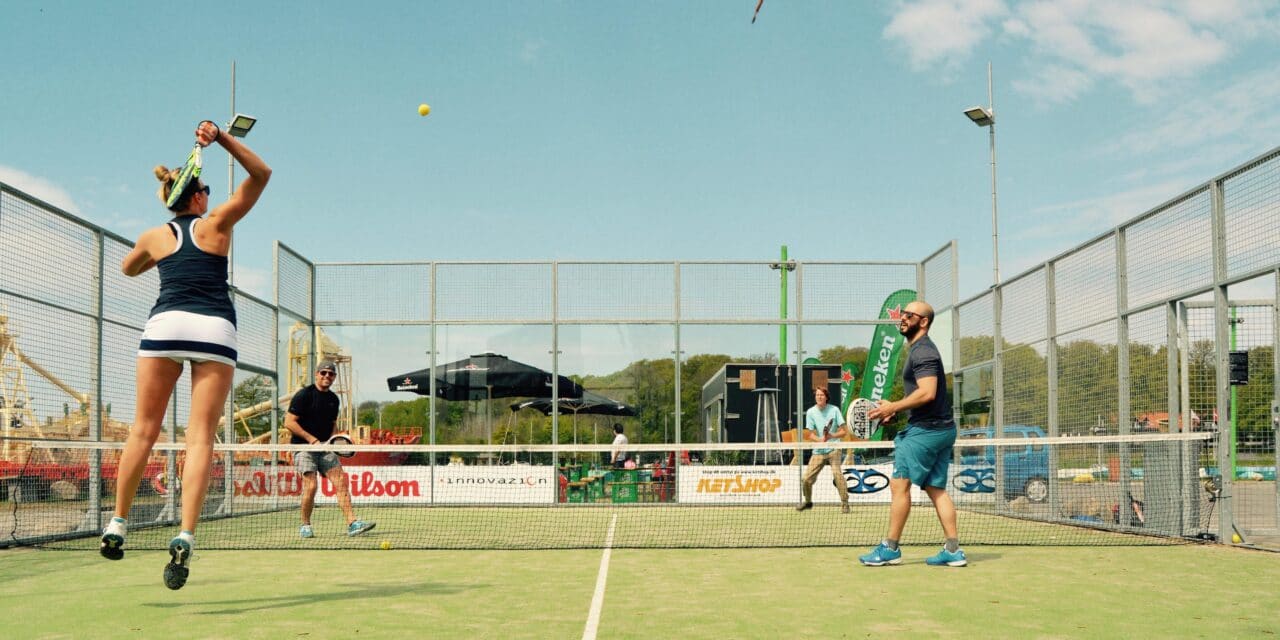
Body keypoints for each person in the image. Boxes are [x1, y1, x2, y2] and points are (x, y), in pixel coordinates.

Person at [100, 120, 271, 590]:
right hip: (214, 328)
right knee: (200, 439)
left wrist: (154, 254)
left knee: (143, 430)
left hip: (165, 325)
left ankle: (117, 522)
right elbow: (262, 175)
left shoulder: (154, 236)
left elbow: (129, 268)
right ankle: (186, 534)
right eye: (207, 191)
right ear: (196, 198)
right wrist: (224, 140)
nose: (211, 198)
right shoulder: (217, 224)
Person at [860, 300, 966, 567]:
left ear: (924, 321)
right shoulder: (919, 350)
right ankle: (953, 550)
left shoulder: (923, 352)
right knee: (936, 489)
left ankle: (890, 548)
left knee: (900, 485)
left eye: (909, 315)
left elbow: (928, 392)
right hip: (942, 430)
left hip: (925, 432)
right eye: (903, 314)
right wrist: (897, 412)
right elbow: (922, 396)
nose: (903, 318)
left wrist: (894, 405)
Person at [286, 361, 376, 539]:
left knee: (341, 481)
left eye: (331, 374)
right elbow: (289, 422)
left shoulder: (334, 400)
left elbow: (332, 425)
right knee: (311, 486)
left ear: (334, 377)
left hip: (326, 447)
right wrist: (312, 440)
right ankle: (305, 525)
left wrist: (335, 442)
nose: (327, 376)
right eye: (324, 373)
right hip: (303, 447)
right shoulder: (304, 395)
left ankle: (352, 523)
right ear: (317, 374)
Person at [796, 387, 851, 514]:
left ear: (826, 397)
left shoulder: (835, 410)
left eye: (821, 395)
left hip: (834, 448)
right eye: (817, 395)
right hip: (818, 451)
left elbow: (844, 431)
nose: (819, 397)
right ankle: (808, 502)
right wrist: (820, 440)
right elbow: (810, 435)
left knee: (837, 474)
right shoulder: (810, 412)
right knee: (805, 479)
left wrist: (831, 436)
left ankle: (845, 503)